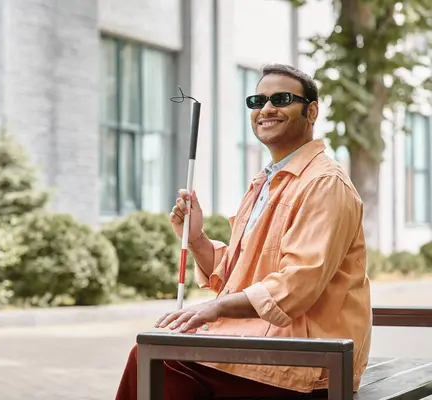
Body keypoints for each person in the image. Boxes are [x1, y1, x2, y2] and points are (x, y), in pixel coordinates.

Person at [114, 63, 372, 399]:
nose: (266, 109)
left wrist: (215, 308)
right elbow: (239, 274)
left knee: (158, 362)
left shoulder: (323, 183)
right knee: (158, 353)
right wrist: (196, 239)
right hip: (258, 345)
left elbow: (298, 284)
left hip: (308, 364)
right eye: (257, 101)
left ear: (311, 111)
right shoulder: (265, 182)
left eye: (281, 99)